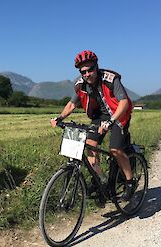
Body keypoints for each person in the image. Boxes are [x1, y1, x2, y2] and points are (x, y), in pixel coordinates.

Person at [50, 50, 136, 201]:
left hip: (118, 114)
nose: (87, 74)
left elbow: (124, 102)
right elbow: (72, 104)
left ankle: (130, 182)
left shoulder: (110, 79)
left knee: (115, 149)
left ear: (96, 67)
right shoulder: (81, 84)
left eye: (90, 69)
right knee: (90, 146)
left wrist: (111, 121)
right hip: (100, 117)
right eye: (84, 71)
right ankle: (100, 182)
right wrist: (60, 117)